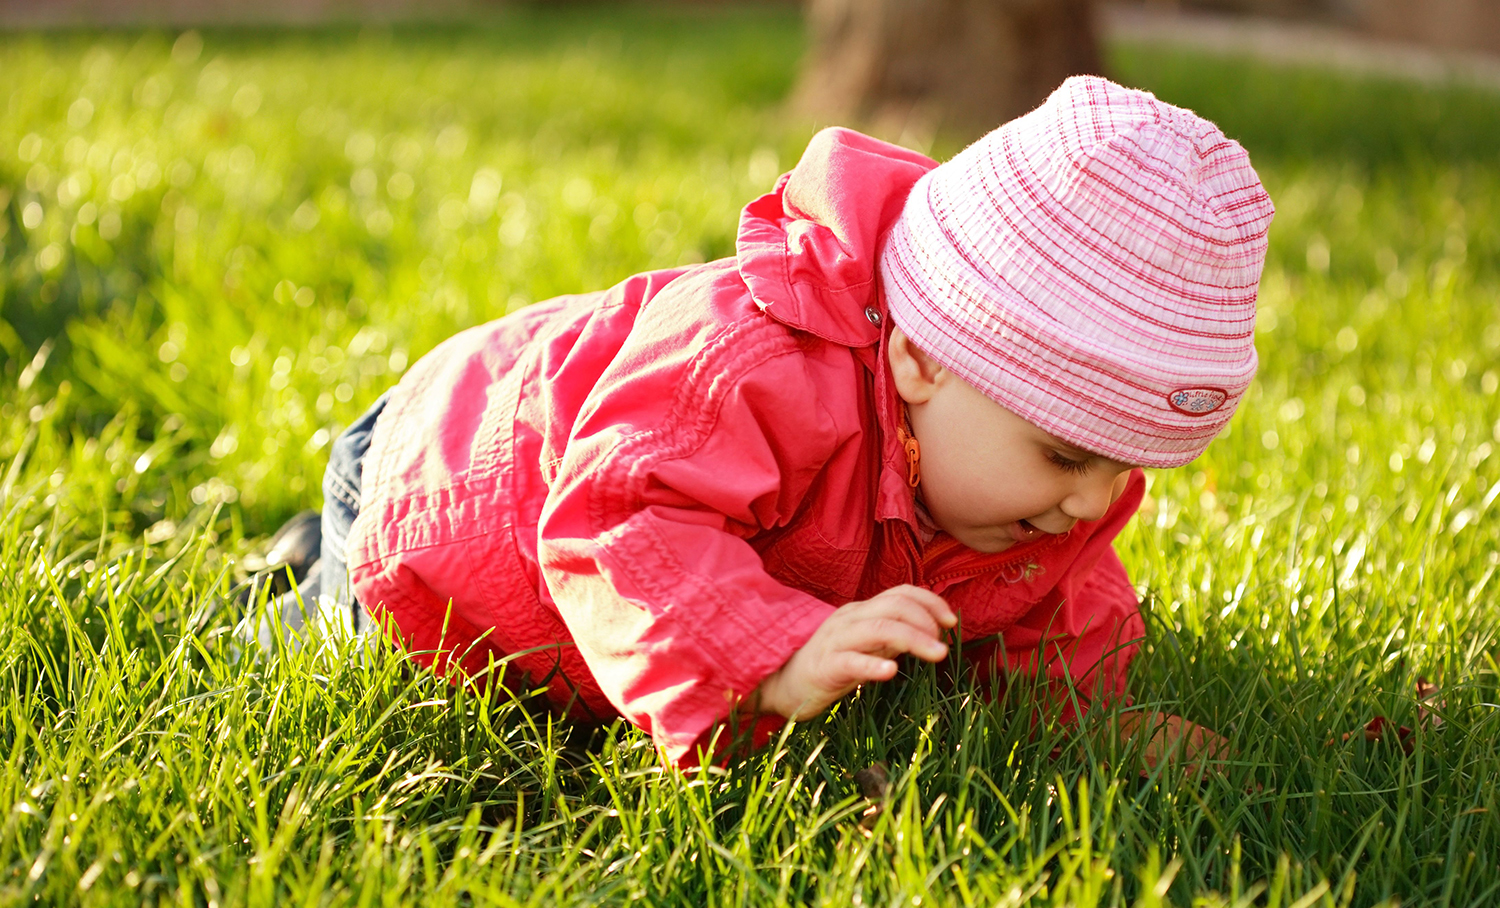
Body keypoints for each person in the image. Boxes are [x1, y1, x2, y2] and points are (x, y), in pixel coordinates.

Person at [267, 75, 1273, 770]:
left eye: (1125, 465)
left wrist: (1096, 712)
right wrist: (770, 655)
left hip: (533, 491)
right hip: (449, 506)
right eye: (1065, 453)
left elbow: (1054, 593)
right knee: (326, 649)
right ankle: (312, 561)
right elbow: (622, 517)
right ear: (923, 355)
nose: (1095, 501)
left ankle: (303, 546)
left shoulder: (1014, 481)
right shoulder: (755, 368)